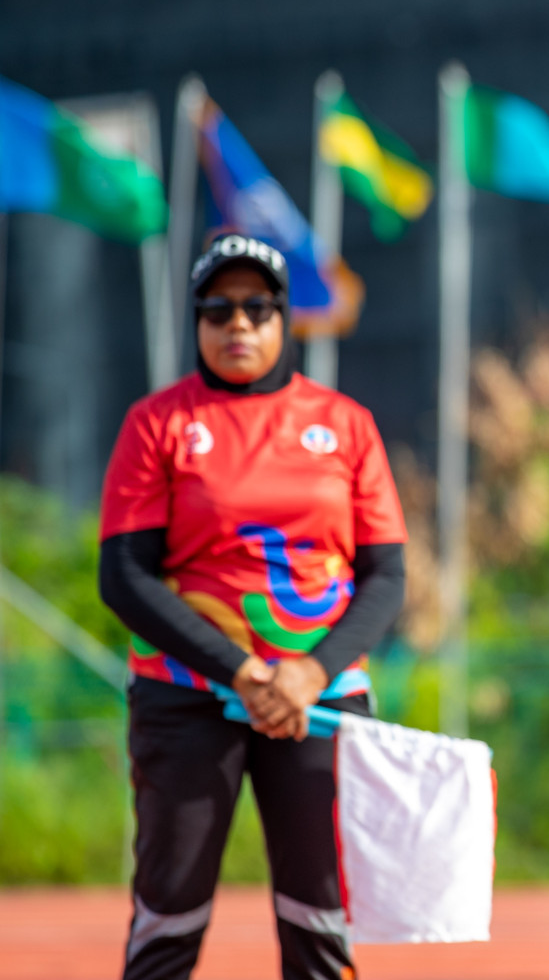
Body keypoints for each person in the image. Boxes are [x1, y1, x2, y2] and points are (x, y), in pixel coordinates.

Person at [98, 233, 408, 980]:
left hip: (322, 697)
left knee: (320, 916)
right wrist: (242, 671)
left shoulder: (346, 423)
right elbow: (125, 578)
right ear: (198, 321)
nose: (238, 323)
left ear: (283, 320)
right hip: (189, 696)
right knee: (169, 912)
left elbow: (387, 576)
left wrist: (307, 674)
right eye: (219, 308)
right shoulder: (157, 423)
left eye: (258, 307)